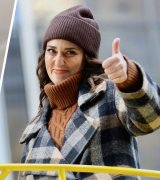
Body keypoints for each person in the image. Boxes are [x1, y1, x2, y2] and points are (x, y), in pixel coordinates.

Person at [19, 5, 160, 179]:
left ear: (86, 59)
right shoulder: (35, 128)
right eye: (51, 51)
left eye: (70, 52)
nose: (58, 61)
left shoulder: (109, 97)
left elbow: (152, 119)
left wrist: (129, 78)